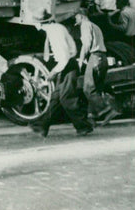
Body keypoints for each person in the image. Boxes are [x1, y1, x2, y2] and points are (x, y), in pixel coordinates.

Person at [29, 9, 92, 137]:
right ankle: (41, 125)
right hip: (68, 65)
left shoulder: (53, 33)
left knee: (67, 98)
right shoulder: (58, 28)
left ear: (40, 24)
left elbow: (64, 57)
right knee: (55, 99)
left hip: (67, 67)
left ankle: (83, 126)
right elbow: (72, 48)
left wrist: (53, 72)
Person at [74, 6, 117, 126]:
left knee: (88, 88)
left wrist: (81, 59)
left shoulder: (85, 25)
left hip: (95, 57)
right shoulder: (95, 26)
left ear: (81, 16)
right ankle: (92, 118)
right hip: (102, 58)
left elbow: (86, 44)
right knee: (96, 89)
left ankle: (106, 109)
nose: (75, 20)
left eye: (76, 17)